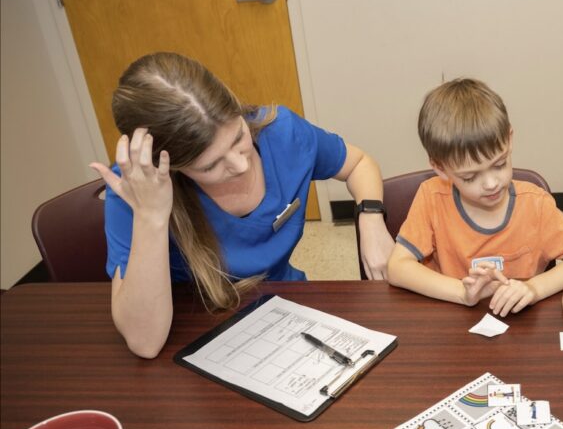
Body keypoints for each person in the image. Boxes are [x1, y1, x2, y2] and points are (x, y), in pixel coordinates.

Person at [90, 52, 395, 358]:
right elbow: (145, 342)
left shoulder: (282, 133)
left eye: (239, 137)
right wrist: (151, 215)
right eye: (210, 166)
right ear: (166, 167)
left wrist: (371, 219)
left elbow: (358, 163)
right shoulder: (136, 190)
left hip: (290, 312)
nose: (239, 165)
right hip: (201, 333)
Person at [387, 78, 563, 315]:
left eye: (499, 164)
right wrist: (462, 293)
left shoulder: (535, 204)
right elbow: (397, 268)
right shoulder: (432, 197)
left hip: (523, 329)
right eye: (470, 177)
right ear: (441, 168)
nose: (491, 183)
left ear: (509, 139)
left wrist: (534, 288)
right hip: (454, 328)